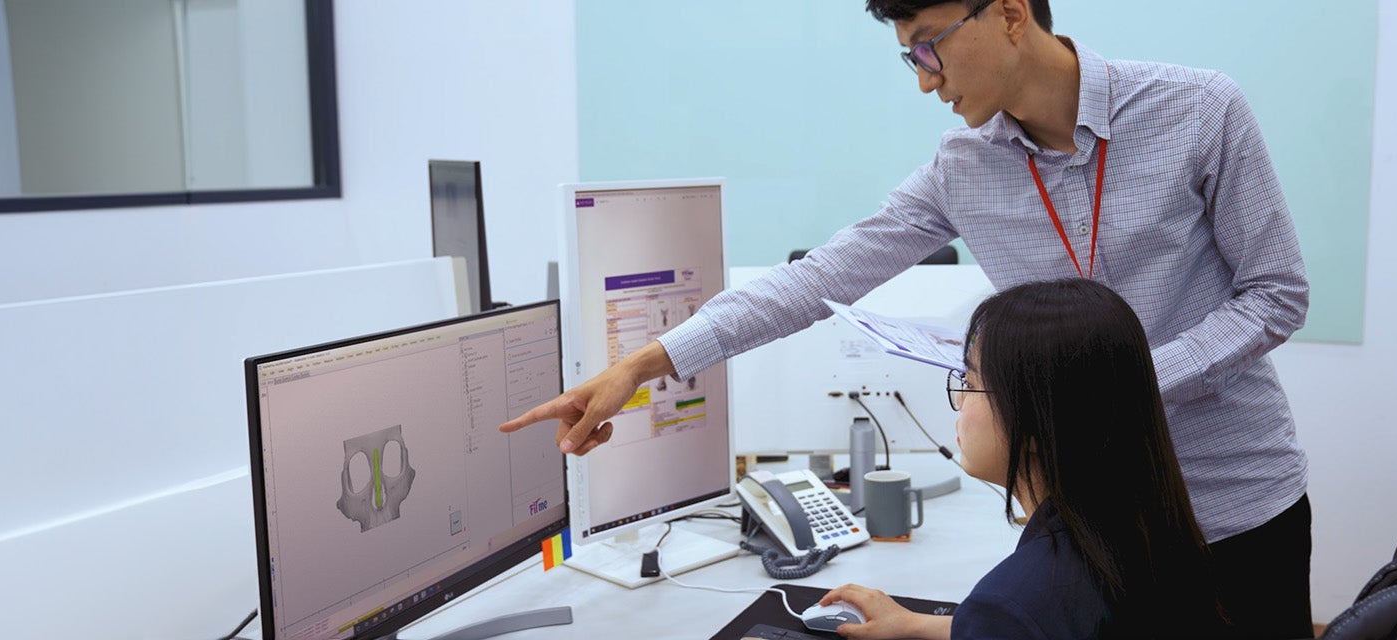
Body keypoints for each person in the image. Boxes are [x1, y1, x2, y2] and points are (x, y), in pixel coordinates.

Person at [503, 0, 1312, 634]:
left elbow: (1277, 295)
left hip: (1233, 505)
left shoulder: (1199, 111)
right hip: (1093, 527)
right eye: (907, 56)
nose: (925, 78)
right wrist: (642, 366)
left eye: (929, 45)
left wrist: (1128, 384)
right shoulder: (963, 170)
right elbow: (816, 279)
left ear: (1007, 10)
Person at [820, 278, 1230, 639]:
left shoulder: (1016, 599)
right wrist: (916, 624)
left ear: (1034, 424)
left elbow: (1020, 619)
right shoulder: (1146, 528)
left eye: (971, 382)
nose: (960, 400)